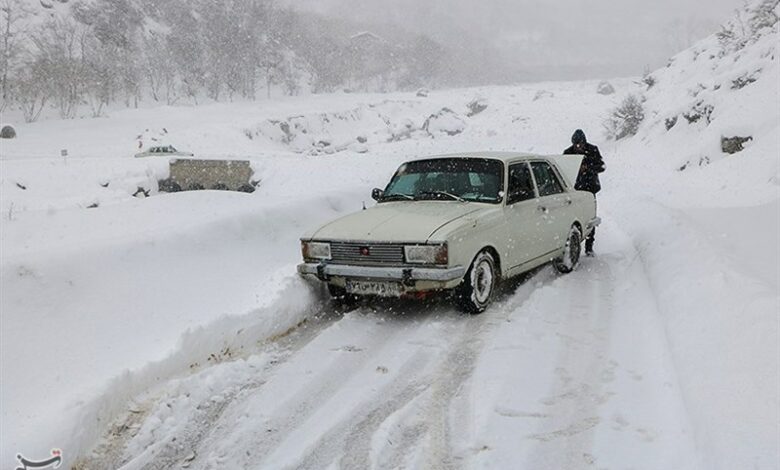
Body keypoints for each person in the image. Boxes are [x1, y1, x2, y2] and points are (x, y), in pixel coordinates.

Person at [563, 129, 605, 255]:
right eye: (576, 144)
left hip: (590, 189)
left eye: (580, 144)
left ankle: (589, 246)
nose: (578, 147)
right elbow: (563, 169)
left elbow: (602, 166)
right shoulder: (568, 153)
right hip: (574, 190)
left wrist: (588, 167)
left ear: (584, 142)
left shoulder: (593, 150)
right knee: (572, 219)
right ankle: (572, 246)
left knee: (589, 218)